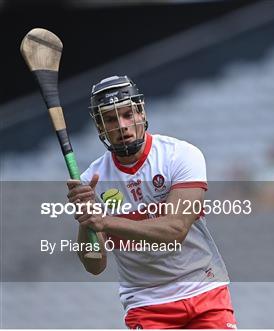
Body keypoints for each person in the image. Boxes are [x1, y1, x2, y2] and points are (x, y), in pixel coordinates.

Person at [66, 75, 236, 329]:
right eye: (110, 119)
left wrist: (105, 222)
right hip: (146, 304)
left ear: (141, 112)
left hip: (204, 290)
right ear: (100, 127)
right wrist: (86, 222)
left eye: (127, 114)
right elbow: (94, 264)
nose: (122, 126)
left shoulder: (180, 155)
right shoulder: (92, 180)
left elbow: (174, 229)